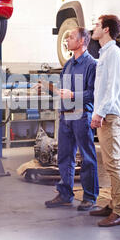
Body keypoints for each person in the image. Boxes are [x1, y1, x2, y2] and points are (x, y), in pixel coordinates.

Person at [41, 27, 99, 211]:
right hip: (66, 117)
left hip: (81, 115)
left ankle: (90, 197)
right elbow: (63, 92)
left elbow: (93, 94)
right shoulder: (68, 65)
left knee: (88, 158)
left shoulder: (91, 64)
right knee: (65, 157)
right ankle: (65, 194)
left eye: (71, 37)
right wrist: (49, 89)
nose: (67, 40)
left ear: (82, 41)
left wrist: (73, 94)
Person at [89, 15, 120, 227]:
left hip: (112, 114)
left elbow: (112, 87)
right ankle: (114, 204)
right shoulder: (105, 54)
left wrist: (100, 112)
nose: (93, 28)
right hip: (107, 113)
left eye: (97, 25)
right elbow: (102, 88)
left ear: (106, 29)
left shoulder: (113, 53)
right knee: (108, 162)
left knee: (113, 163)